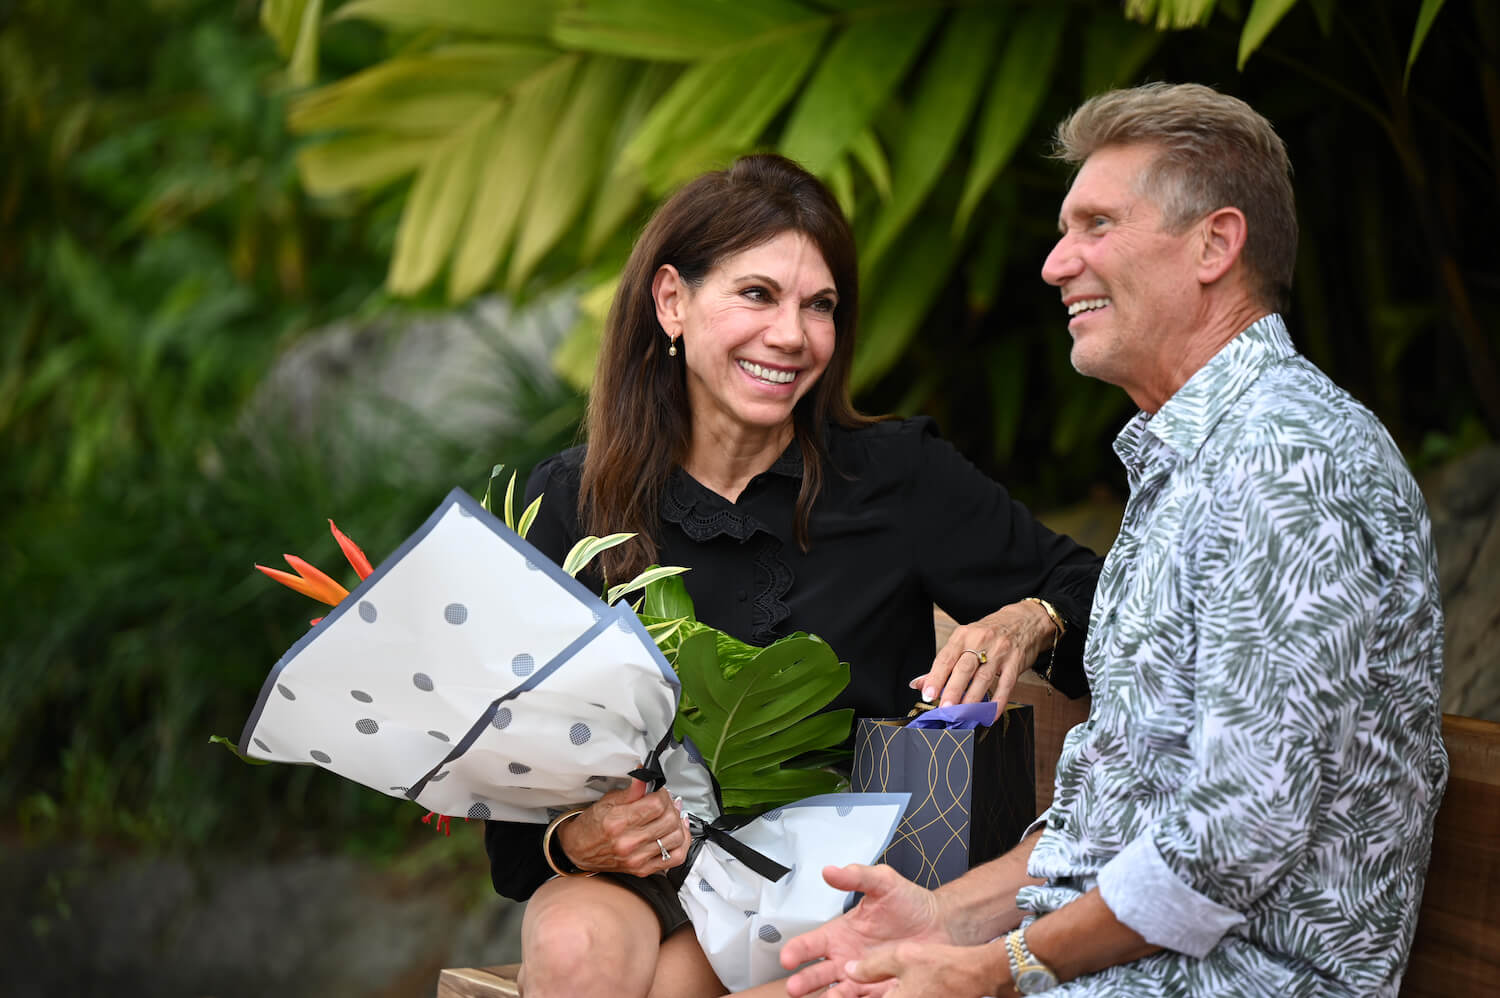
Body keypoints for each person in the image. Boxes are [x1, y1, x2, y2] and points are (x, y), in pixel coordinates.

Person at [780, 82, 1449, 997]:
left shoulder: (1289, 463)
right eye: (1064, 231)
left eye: (1096, 225)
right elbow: (1115, 816)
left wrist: (989, 970)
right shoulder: (1190, 461)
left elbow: (1225, 845)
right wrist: (945, 917)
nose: (1057, 264)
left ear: (1216, 243)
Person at [482, 154, 1104, 998]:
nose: (792, 335)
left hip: (828, 880)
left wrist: (1030, 616)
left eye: (820, 307)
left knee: (673, 985)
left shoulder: (894, 478)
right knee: (572, 944)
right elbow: (516, 805)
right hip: (645, 873)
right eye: (757, 295)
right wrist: (576, 840)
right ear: (671, 301)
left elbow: (1105, 594)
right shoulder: (571, 500)